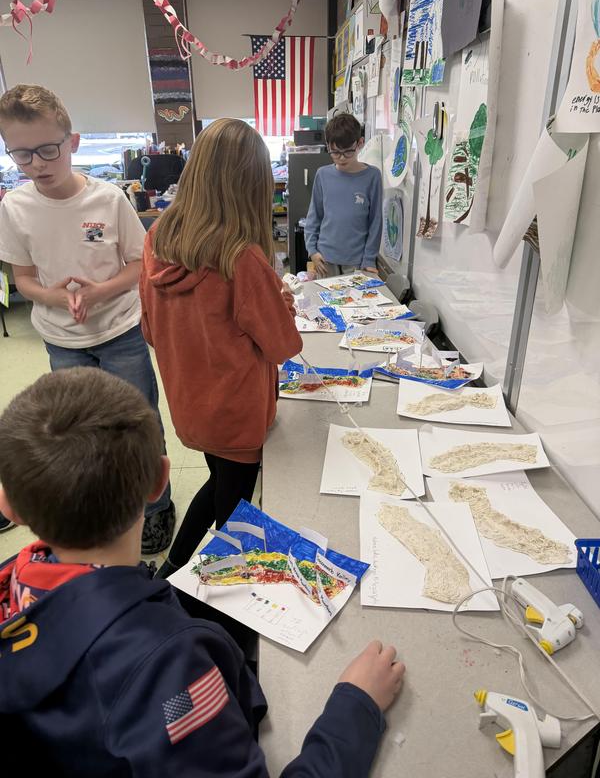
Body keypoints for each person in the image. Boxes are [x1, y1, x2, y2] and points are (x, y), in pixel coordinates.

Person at [0, 368, 406, 776]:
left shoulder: (11, 586)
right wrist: (356, 707)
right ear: (161, 479)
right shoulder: (171, 676)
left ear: (8, 506)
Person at [0, 84, 173, 554]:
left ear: (72, 143)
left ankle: (156, 507)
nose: (36, 165)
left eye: (48, 150)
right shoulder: (15, 208)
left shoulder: (109, 199)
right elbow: (25, 279)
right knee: (80, 434)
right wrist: (53, 297)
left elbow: (140, 265)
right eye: (21, 155)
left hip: (119, 331)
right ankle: (100, 507)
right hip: (62, 338)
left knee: (140, 421)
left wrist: (99, 292)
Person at [140, 118, 302, 579]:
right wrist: (278, 306)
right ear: (251, 183)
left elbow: (151, 329)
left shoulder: (157, 238)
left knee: (218, 484)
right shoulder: (240, 256)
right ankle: (212, 605)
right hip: (236, 414)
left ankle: (169, 573)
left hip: (191, 407)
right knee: (236, 514)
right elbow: (283, 345)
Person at [304, 113, 383, 278]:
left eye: (348, 152)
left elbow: (375, 221)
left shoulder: (372, 176)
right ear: (328, 146)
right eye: (335, 152)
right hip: (325, 260)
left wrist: (369, 259)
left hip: (357, 262)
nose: (341, 158)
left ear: (360, 143)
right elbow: (314, 217)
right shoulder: (322, 175)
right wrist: (312, 251)